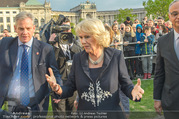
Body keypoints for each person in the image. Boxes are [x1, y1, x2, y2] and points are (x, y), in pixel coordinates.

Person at [46, 18, 144, 119]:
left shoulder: (116, 56)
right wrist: (58, 88)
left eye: (87, 37)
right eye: (81, 37)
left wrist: (132, 91)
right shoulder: (78, 58)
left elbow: (125, 84)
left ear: (99, 36)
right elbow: (70, 87)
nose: (83, 41)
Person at [0, 11, 62, 118]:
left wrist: (57, 87)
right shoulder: (5, 44)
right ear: (15, 28)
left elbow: (55, 73)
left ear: (34, 28)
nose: (25, 32)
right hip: (10, 102)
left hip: (35, 103)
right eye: (21, 28)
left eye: (28, 29)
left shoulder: (45, 49)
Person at [50, 17, 82, 118]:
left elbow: (81, 54)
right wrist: (54, 45)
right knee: (60, 114)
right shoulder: (52, 44)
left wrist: (71, 44)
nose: (67, 31)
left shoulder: (75, 41)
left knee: (73, 113)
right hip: (59, 84)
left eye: (68, 28)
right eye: (63, 28)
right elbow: (51, 62)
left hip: (73, 84)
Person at [154, 1, 179, 119]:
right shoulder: (162, 41)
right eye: (175, 13)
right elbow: (159, 72)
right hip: (171, 102)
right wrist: (157, 98)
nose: (178, 16)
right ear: (169, 16)